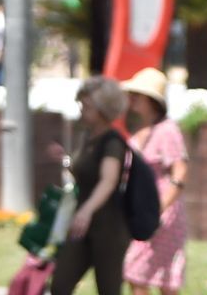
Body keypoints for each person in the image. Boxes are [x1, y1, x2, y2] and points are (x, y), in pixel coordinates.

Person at [49, 76, 131, 295]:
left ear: (104, 109)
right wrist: (65, 160)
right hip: (81, 226)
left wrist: (87, 210)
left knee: (108, 289)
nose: (82, 110)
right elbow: (84, 173)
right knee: (60, 284)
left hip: (108, 227)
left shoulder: (112, 141)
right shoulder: (88, 138)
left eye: (87, 106)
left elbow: (108, 180)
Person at [120, 68, 188, 295]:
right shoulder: (143, 129)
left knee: (138, 270)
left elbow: (180, 171)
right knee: (144, 273)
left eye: (137, 95)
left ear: (151, 100)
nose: (132, 99)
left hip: (161, 211)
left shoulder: (167, 130)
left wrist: (158, 209)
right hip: (143, 210)